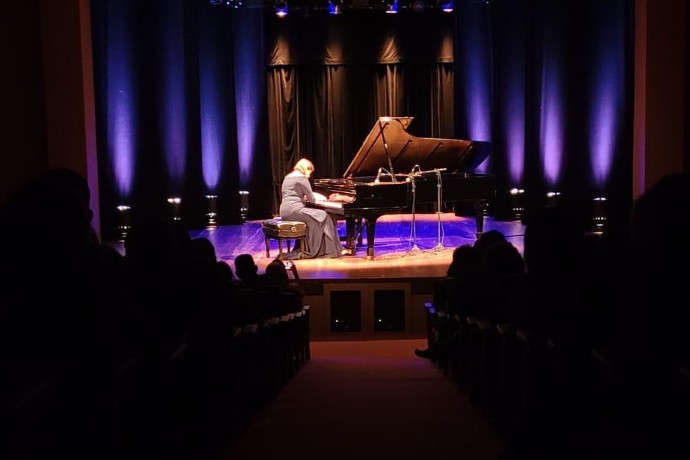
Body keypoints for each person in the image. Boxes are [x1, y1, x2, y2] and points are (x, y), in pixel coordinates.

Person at [279, 158, 341, 259]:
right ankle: (319, 250)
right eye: (310, 171)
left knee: (317, 217)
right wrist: (320, 197)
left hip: (284, 210)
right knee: (324, 216)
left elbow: (294, 195)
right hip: (296, 210)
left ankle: (310, 246)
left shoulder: (288, 177)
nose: (309, 175)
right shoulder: (302, 178)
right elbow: (312, 200)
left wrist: (305, 197)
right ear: (306, 169)